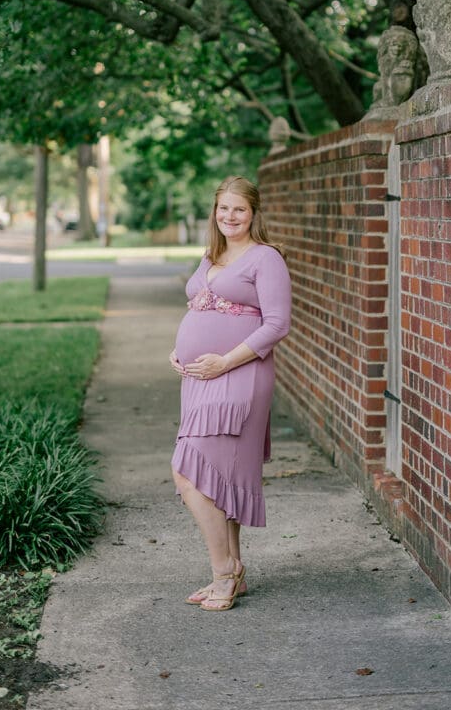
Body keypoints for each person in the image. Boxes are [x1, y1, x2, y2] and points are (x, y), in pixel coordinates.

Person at [169, 175, 291, 611]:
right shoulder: (211, 255)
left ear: (253, 213)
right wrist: (179, 351)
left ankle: (224, 572)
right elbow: (199, 310)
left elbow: (276, 325)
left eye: (239, 209)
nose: (230, 217)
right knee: (220, 478)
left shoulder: (266, 258)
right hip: (199, 378)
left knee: (188, 471)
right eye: (223, 209)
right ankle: (233, 570)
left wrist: (223, 361)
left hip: (240, 374)